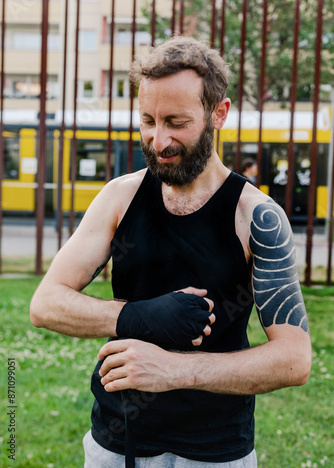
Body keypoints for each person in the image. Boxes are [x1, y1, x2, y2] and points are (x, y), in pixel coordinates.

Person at [30, 36, 311, 468]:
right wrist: (134, 316)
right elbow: (45, 304)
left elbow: (293, 359)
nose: (158, 140)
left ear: (219, 113)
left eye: (176, 122)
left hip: (215, 452)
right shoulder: (119, 198)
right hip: (115, 444)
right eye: (147, 120)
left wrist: (174, 370)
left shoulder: (255, 216)